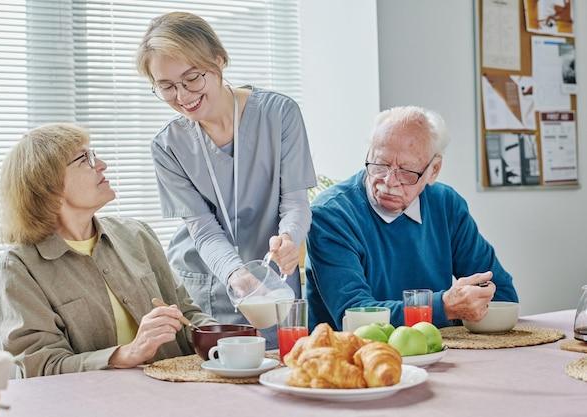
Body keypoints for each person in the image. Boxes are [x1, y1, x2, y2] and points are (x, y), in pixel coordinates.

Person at [136, 12, 316, 344]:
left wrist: (289, 240)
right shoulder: (167, 145)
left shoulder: (279, 115)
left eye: (192, 78)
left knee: (281, 371)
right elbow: (202, 230)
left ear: (219, 59)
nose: (182, 95)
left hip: (272, 275)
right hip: (209, 280)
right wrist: (235, 274)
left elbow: (294, 200)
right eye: (166, 86)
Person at [0, 123, 216, 377]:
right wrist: (127, 354)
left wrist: (232, 339)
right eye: (84, 158)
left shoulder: (136, 234)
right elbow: (41, 366)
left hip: (174, 392)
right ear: (49, 187)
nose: (101, 164)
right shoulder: (19, 268)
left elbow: (185, 314)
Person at [305, 106, 518, 330]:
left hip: (440, 352)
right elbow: (356, 316)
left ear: (433, 170)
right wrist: (444, 308)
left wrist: (469, 303)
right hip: (351, 357)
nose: (389, 181)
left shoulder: (446, 205)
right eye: (380, 165)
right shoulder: (331, 215)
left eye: (406, 172)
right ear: (368, 154)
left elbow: (502, 295)